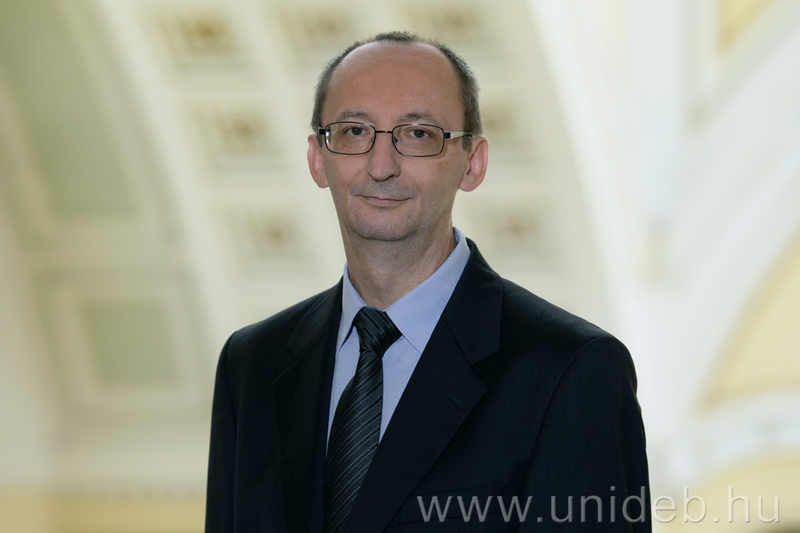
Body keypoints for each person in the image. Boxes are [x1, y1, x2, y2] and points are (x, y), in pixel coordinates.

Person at [205, 31, 650, 532]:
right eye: (354, 131)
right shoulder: (251, 365)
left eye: (418, 134)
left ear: (473, 163)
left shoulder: (573, 371)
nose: (381, 166)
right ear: (316, 158)